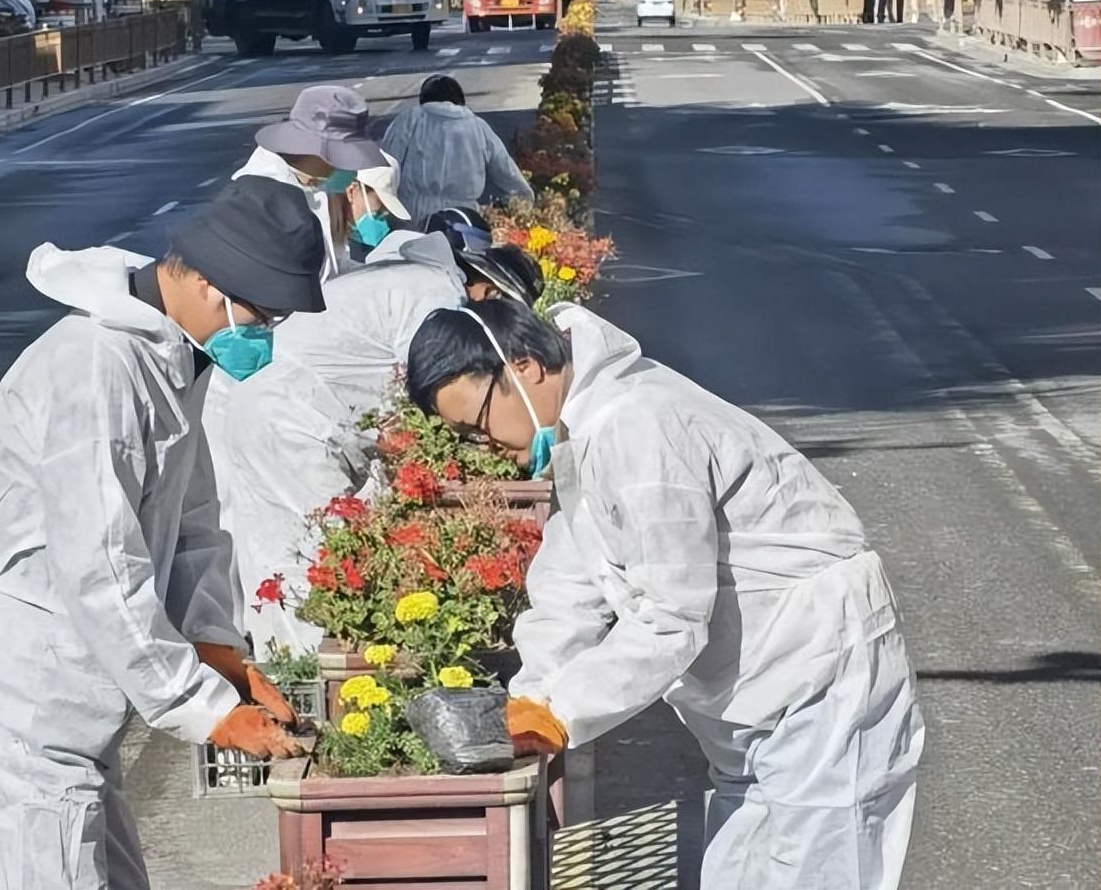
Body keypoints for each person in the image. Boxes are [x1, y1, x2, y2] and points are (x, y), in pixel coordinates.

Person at [406, 300, 925, 890]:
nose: (482, 445)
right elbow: (572, 582)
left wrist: (560, 712)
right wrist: (531, 696)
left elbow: (670, 616)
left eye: (477, 425)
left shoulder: (638, 425)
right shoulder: (589, 428)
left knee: (820, 871)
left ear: (522, 368)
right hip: (761, 697)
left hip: (822, 681)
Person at [0, 178, 326, 890]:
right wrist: (203, 709)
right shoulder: (96, 369)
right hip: (20, 695)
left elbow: (194, 520)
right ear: (205, 282)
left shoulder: (171, 358)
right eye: (261, 315)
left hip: (72, 704)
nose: (263, 336)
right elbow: (100, 565)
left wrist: (217, 649)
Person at [202, 211, 544, 651]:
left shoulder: (421, 281)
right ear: (490, 291)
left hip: (277, 411)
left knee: (277, 555)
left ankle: (281, 673)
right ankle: (303, 679)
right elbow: (426, 398)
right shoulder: (439, 299)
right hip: (292, 423)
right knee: (319, 558)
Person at [232, 84, 386, 280]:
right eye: (344, 157)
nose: (350, 169)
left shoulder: (318, 184)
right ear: (318, 153)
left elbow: (333, 264)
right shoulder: (262, 197)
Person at [380, 74, 534, 220]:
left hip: (412, 217)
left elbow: (384, 167)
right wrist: (517, 205)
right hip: (463, 217)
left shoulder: (410, 119)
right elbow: (509, 174)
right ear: (460, 101)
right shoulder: (478, 127)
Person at [342, 150, 412, 264]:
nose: (383, 224)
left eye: (385, 215)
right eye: (377, 213)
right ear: (352, 192)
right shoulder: (321, 239)